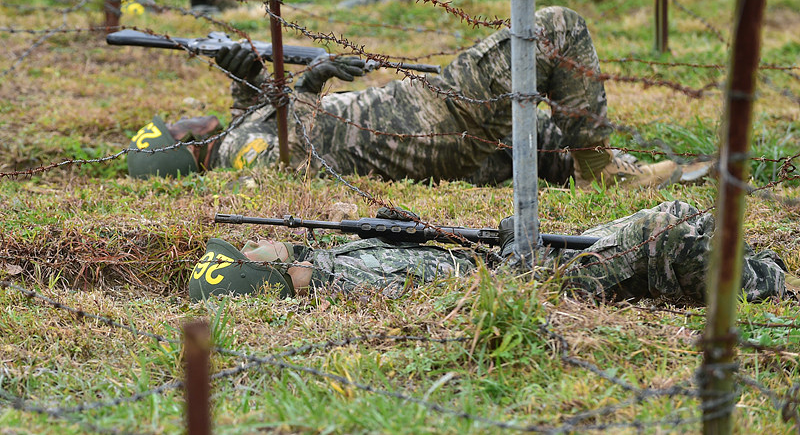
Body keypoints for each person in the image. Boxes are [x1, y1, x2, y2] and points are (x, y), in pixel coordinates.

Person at [128, 6, 694, 189]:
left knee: (534, 141)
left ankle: (616, 168)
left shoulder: (232, 131)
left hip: (420, 131)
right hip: (427, 124)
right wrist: (308, 83)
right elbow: (291, 160)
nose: (185, 118)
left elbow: (258, 112)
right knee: (553, 28)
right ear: (186, 148)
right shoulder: (233, 154)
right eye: (177, 129)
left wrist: (242, 73)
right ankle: (601, 172)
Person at [188, 201, 798, 304]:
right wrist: (512, 252)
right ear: (261, 271)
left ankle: (764, 271)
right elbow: (462, 284)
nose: (251, 241)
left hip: (527, 264)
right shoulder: (350, 282)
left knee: (682, 229)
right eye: (246, 250)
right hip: (543, 282)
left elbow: (437, 253)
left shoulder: (327, 262)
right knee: (668, 227)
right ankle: (769, 286)